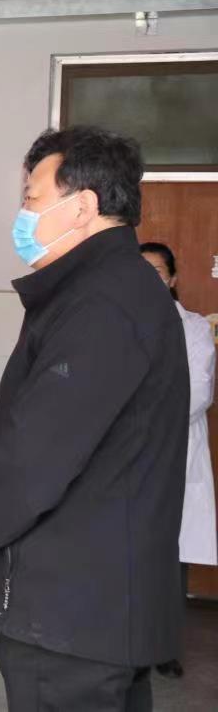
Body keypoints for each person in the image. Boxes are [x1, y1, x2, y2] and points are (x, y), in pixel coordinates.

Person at [0, 127, 189, 712]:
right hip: (92, 604)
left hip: (71, 608)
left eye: (32, 198)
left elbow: (38, 456)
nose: (23, 215)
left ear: (83, 206)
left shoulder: (102, 302)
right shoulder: (107, 289)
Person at [140, 241, 216, 679]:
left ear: (172, 278)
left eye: (156, 271)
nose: (147, 278)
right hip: (125, 452)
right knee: (126, 547)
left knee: (171, 554)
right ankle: (126, 640)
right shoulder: (115, 321)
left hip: (173, 448)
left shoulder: (194, 329)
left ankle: (164, 645)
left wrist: (138, 414)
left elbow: (198, 391)